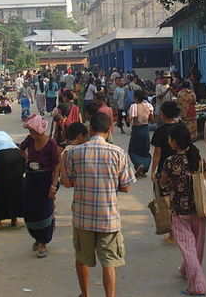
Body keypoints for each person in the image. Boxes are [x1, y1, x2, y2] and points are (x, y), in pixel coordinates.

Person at [62, 113, 136, 297]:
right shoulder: (118, 153)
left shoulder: (73, 152)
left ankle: (85, 294)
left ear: (90, 130)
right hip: (108, 218)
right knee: (109, 262)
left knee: (82, 259)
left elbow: (67, 182)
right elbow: (126, 187)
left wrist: (63, 163)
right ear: (109, 130)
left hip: (82, 217)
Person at [160, 123, 206, 297]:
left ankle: (198, 285)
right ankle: (186, 270)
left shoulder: (171, 162)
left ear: (174, 142)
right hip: (200, 208)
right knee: (197, 244)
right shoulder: (198, 158)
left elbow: (163, 182)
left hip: (180, 210)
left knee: (188, 247)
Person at [20, 115, 61, 258]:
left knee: (44, 211)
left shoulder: (51, 144)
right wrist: (26, 161)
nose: (31, 134)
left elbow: (57, 166)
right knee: (30, 211)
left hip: (46, 180)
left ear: (39, 130)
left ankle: (43, 242)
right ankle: (37, 238)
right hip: (31, 178)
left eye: (32, 131)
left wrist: (53, 186)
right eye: (30, 131)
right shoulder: (30, 140)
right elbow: (21, 149)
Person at [151, 100, 180, 243]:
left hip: (165, 170)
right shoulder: (182, 128)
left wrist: (153, 171)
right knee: (179, 199)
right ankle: (181, 231)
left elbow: (157, 154)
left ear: (163, 114)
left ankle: (173, 234)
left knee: (166, 201)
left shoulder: (160, 131)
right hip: (181, 169)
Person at [127, 89, 153, 178]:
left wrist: (127, 118)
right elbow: (152, 120)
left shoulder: (134, 106)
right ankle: (144, 167)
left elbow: (130, 119)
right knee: (145, 151)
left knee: (132, 150)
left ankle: (138, 165)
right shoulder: (149, 106)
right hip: (146, 129)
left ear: (136, 97)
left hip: (136, 130)